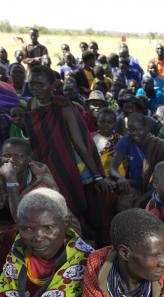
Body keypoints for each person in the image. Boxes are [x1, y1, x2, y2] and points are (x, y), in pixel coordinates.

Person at [0, 189, 93, 297]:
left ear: (66, 223)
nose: (38, 237)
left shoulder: (84, 260)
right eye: (27, 228)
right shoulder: (19, 250)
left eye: (48, 228)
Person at [25, 65, 112, 239]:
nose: (35, 88)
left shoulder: (62, 106)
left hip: (68, 164)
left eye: (40, 84)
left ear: (52, 85)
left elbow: (79, 142)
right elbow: (34, 141)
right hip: (44, 165)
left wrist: (97, 175)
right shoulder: (30, 104)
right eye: (32, 84)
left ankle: (86, 240)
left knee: (73, 205)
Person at [110, 112, 164, 210]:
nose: (134, 133)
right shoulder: (127, 140)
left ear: (146, 128)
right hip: (133, 188)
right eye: (130, 130)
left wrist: (141, 199)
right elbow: (113, 168)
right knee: (123, 208)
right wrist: (120, 178)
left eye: (137, 129)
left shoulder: (159, 145)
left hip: (154, 190)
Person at [0, 138, 59, 221]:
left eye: (19, 156)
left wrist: (11, 182)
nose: (11, 160)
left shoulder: (41, 177)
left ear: (29, 159)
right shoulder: (1, 174)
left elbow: (23, 221)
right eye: (6, 156)